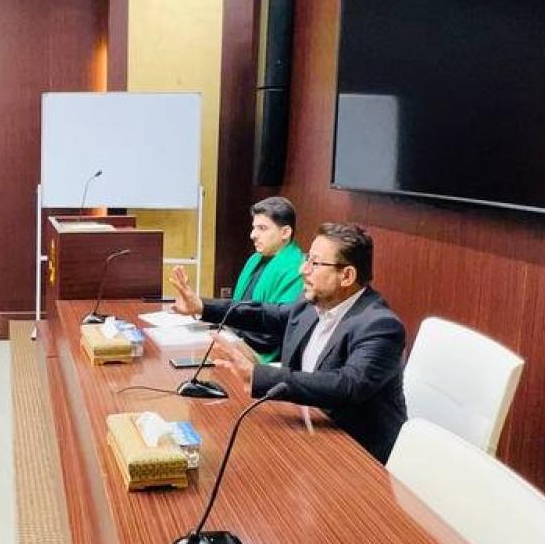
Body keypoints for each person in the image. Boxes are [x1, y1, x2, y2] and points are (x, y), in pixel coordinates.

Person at [169, 221, 409, 462]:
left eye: (315, 263)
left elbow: (347, 385)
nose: (303, 270)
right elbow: (266, 314)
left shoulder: (380, 326)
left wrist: (259, 375)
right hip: (308, 431)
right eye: (307, 259)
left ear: (347, 276)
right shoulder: (311, 303)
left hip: (356, 455)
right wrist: (202, 306)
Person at [219, 196, 309, 361]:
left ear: (285, 232)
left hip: (264, 360)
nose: (253, 235)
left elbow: (274, 331)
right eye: (254, 228)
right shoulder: (255, 259)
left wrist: (233, 338)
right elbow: (237, 308)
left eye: (262, 228)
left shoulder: (297, 269)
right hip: (235, 344)